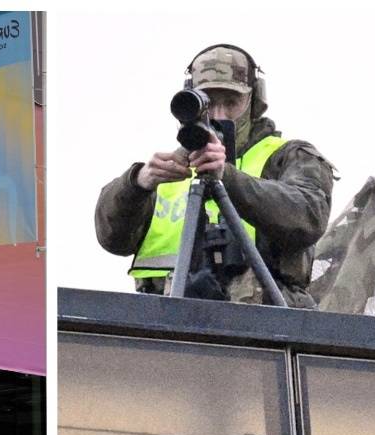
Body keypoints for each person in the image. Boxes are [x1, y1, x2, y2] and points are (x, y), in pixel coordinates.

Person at [95, 44, 335, 308]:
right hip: (168, 330)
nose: (219, 115)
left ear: (253, 102)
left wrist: (228, 178)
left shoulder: (286, 156)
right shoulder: (165, 172)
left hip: (265, 326)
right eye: (208, 102)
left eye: (231, 103)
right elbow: (112, 237)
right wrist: (137, 184)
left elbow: (309, 214)